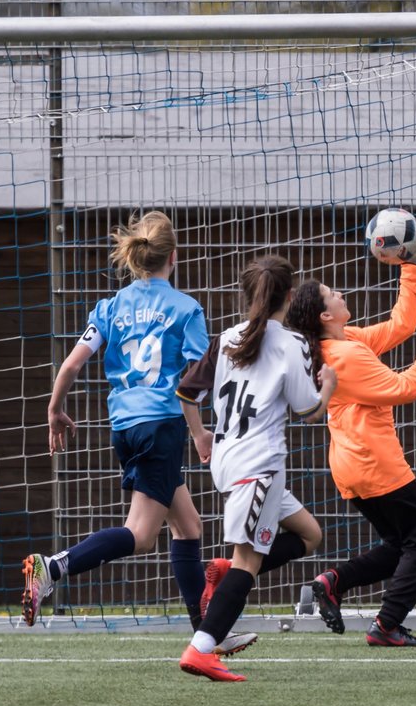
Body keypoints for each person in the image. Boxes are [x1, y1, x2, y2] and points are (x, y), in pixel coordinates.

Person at [19, 211, 254, 656]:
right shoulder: (186, 308)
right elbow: (193, 381)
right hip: (161, 426)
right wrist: (201, 434)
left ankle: (207, 633)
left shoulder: (110, 307)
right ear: (174, 257)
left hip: (124, 426)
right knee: (142, 534)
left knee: (187, 527)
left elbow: (70, 365)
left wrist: (55, 410)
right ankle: (51, 567)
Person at [285, 222, 416, 647]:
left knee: (399, 544)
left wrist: (412, 268)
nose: (342, 294)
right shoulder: (347, 353)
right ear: (324, 316)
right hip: (376, 463)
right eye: (334, 294)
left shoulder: (341, 341)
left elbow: (400, 325)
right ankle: (387, 625)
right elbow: (404, 389)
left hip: (352, 467)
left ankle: (332, 582)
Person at [176, 255, 337, 682]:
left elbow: (186, 392)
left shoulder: (228, 336)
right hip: (259, 466)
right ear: (288, 295)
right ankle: (201, 648)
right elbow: (308, 410)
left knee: (309, 534)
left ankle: (227, 573)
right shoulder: (293, 343)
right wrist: (329, 388)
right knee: (249, 563)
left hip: (231, 461)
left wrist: (200, 436)